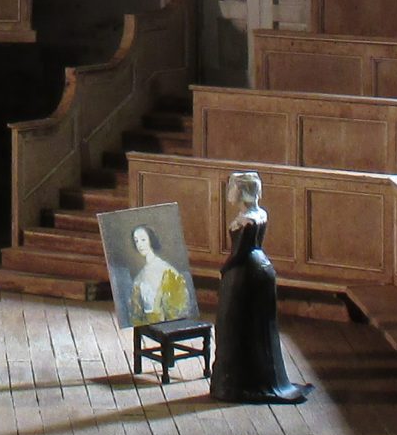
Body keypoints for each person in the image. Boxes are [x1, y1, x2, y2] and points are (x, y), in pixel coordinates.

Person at [209, 171, 311, 404]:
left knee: (235, 323)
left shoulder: (247, 220)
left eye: (233, 188)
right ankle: (254, 376)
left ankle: (237, 383)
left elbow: (238, 253)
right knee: (257, 325)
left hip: (244, 272)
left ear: (243, 191)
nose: (229, 193)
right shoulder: (259, 214)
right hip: (260, 269)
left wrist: (224, 271)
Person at [123, 222, 193, 326]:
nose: (140, 245)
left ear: (151, 240)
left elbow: (179, 304)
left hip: (166, 322)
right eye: (136, 241)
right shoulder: (140, 274)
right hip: (147, 322)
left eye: (143, 240)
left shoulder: (165, 269)